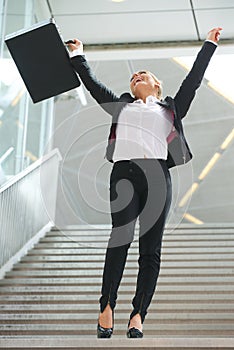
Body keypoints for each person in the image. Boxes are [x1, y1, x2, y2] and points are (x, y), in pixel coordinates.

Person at [66, 27, 222, 338]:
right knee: (120, 237)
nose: (136, 76)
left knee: (150, 250)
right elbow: (94, 86)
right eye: (133, 76)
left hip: (157, 178)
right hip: (124, 174)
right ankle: (106, 306)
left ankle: (138, 314)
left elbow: (193, 80)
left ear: (156, 84)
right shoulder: (120, 106)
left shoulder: (171, 109)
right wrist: (77, 54)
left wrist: (209, 45)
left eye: (143, 73)